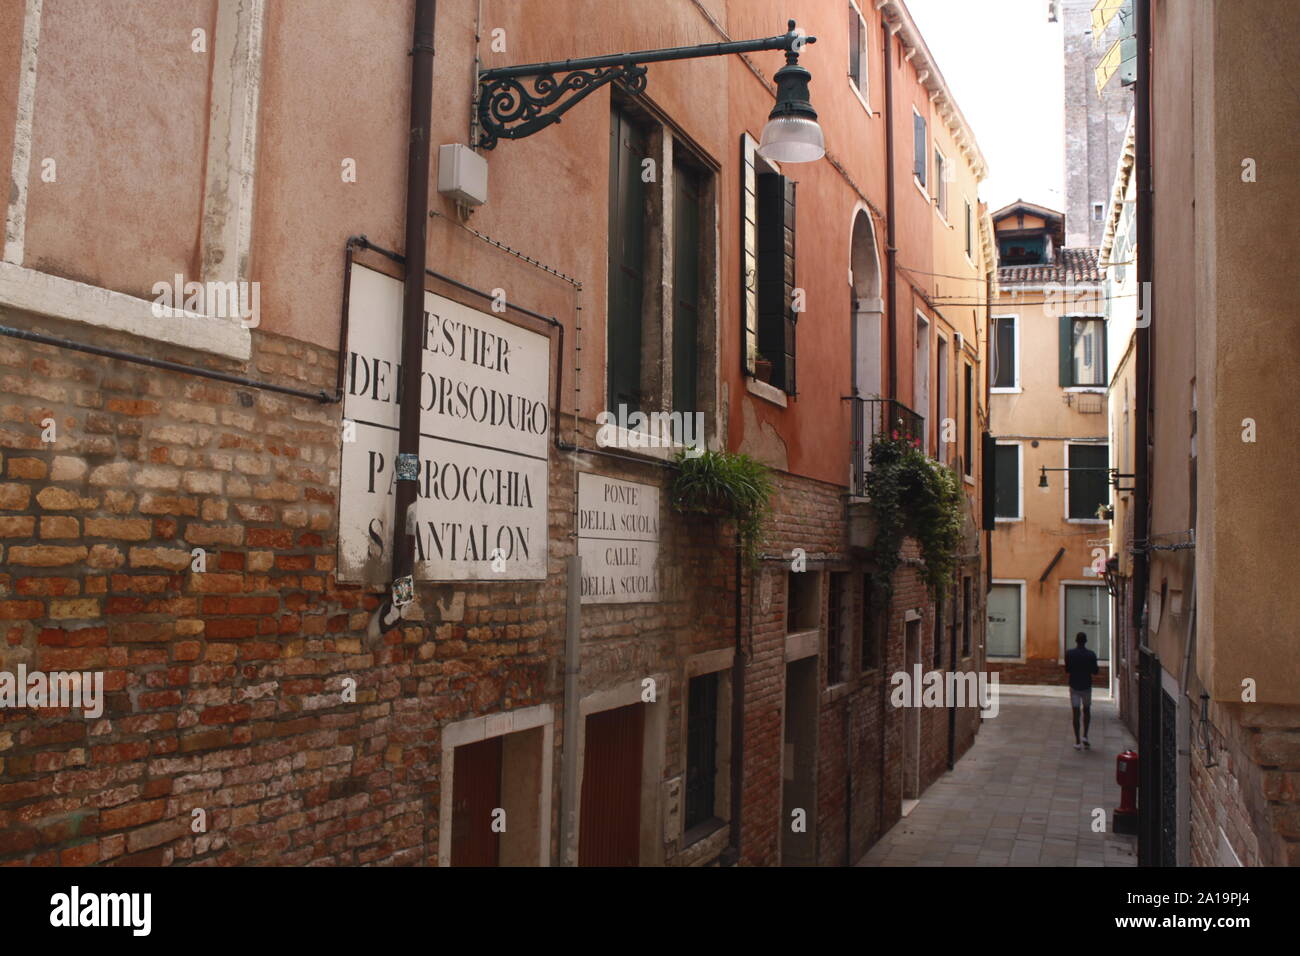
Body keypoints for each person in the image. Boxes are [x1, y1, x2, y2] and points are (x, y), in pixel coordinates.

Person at [1064, 632, 1099, 750]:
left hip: (1074, 685)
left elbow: (1067, 669)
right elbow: (1095, 671)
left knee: (1076, 713)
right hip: (1086, 686)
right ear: (1086, 641)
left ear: (1076, 640)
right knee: (1087, 710)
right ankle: (1085, 736)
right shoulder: (1091, 654)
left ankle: (1077, 741)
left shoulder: (1069, 654)